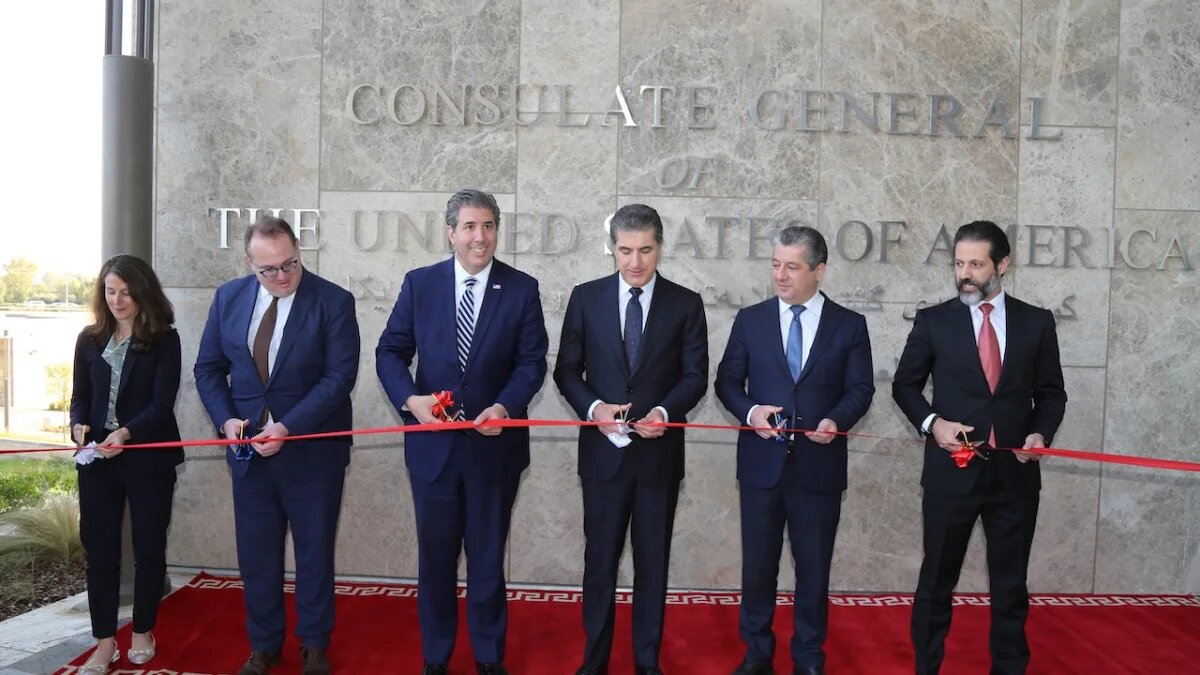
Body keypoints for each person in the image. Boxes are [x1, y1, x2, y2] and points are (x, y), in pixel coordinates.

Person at [376, 188, 548, 675]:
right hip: (433, 451)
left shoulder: (521, 288)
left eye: (488, 226)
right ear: (450, 232)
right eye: (470, 226)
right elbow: (390, 352)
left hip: (494, 452)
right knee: (436, 561)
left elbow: (532, 363)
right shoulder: (420, 284)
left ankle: (489, 658)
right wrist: (411, 401)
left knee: (488, 561)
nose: (480, 236)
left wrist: (504, 406)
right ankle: (436, 658)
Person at [892, 220, 1067, 675]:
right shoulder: (934, 321)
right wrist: (934, 424)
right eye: (958, 264)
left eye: (975, 264)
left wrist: (1040, 435)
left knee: (1010, 584)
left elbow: (1051, 394)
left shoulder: (1036, 322)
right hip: (950, 475)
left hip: (1014, 477)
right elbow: (905, 385)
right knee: (937, 580)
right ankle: (927, 667)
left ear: (1002, 265)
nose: (964, 274)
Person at [194, 217, 360, 675]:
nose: (282, 276)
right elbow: (208, 369)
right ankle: (264, 645)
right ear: (249, 262)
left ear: (298, 248)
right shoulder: (228, 298)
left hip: (313, 454)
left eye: (289, 264)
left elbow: (338, 378)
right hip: (249, 456)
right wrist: (226, 420)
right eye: (268, 269)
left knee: (314, 554)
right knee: (257, 557)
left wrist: (287, 426)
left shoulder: (334, 301)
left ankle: (314, 644)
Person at [553, 203, 709, 675]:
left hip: (658, 458)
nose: (635, 261)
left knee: (652, 565)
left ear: (660, 247)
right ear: (612, 248)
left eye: (645, 250)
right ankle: (594, 661)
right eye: (625, 250)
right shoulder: (586, 297)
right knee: (599, 563)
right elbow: (566, 370)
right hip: (603, 458)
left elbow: (695, 376)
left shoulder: (686, 303)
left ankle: (647, 662)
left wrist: (664, 412)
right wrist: (594, 409)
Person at [715, 226, 875, 675]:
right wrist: (751, 413)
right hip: (761, 467)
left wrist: (836, 420)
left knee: (814, 570)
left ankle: (808, 657)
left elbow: (861, 389)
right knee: (758, 568)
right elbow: (727, 381)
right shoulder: (751, 320)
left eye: (792, 266)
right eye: (775, 264)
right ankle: (757, 654)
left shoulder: (849, 325)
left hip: (818, 468)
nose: (780, 275)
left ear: (818, 270)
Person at [70, 254, 183, 674]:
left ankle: (142, 631)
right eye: (110, 291)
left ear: (143, 292)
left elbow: (162, 403)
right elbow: (80, 396)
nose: (118, 300)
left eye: (126, 292)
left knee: (149, 548)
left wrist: (126, 433)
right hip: (98, 459)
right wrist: (78, 426)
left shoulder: (165, 339)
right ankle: (104, 643)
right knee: (100, 552)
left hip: (147, 457)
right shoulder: (88, 339)